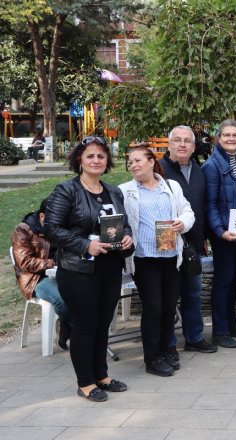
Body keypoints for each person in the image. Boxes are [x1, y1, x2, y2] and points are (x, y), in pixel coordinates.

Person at [44, 136, 134, 402]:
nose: (96, 160)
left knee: (102, 323)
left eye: (101, 156)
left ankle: (102, 375)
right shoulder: (66, 190)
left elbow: (123, 224)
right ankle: (85, 382)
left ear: (107, 162)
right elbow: (52, 229)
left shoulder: (114, 191)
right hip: (78, 270)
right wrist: (86, 246)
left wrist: (127, 239)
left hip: (110, 267)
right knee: (85, 325)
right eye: (90, 156)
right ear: (79, 161)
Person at [120, 147, 195, 377]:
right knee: (153, 308)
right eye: (130, 162)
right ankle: (152, 358)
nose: (133, 165)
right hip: (144, 259)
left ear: (152, 162)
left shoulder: (171, 187)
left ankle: (167, 349)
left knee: (169, 306)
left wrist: (182, 223)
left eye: (138, 160)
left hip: (171, 257)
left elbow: (188, 211)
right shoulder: (124, 191)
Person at [159, 125, 218, 354]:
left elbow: (201, 207)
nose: (182, 145)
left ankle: (194, 337)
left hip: (192, 245)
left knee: (193, 293)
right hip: (166, 244)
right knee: (169, 296)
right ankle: (169, 344)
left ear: (194, 146)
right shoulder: (159, 170)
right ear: (169, 143)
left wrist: (203, 238)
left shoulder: (199, 170)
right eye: (177, 140)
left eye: (187, 141)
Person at [202, 119, 236, 348]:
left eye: (235, 135)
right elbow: (210, 204)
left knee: (233, 280)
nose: (231, 139)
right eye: (226, 135)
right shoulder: (212, 166)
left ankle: (232, 324)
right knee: (223, 281)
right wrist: (220, 232)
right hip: (224, 235)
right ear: (218, 138)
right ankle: (220, 331)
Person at [11, 199, 71, 350]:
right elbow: (24, 262)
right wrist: (53, 263)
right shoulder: (23, 230)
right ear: (43, 216)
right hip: (36, 278)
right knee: (63, 298)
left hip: (65, 272)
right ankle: (68, 328)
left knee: (89, 291)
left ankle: (74, 327)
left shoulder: (61, 226)